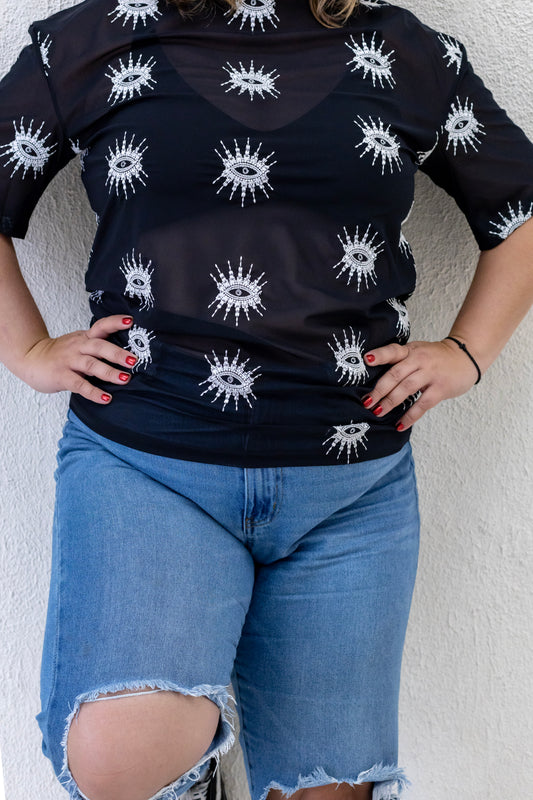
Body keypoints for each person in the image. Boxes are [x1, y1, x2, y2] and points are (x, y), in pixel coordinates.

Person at [0, 1, 532, 799]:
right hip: (148, 463)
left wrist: (466, 353)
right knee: (124, 760)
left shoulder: (407, 52)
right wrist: (27, 351)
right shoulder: (87, 42)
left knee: (330, 790)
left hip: (350, 490)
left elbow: (520, 209)